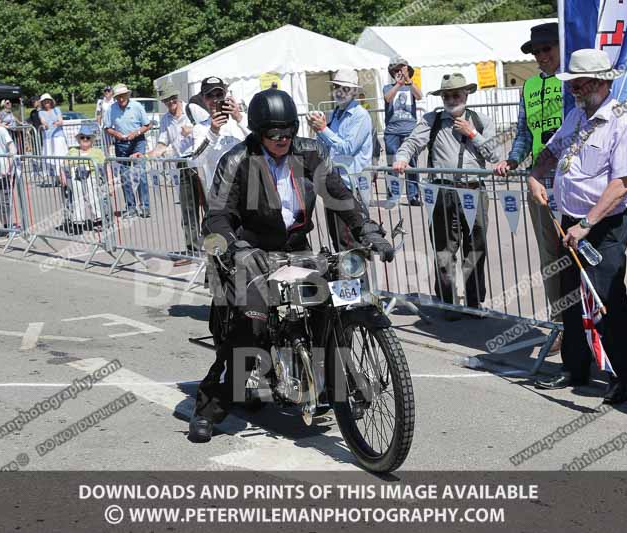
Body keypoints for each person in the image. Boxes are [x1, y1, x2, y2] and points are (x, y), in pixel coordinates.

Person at [189, 88, 394, 442]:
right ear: (257, 131)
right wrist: (237, 249)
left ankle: (333, 383)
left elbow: (341, 197)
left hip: (298, 249)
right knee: (249, 329)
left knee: (333, 303)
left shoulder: (312, 152)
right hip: (251, 251)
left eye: (287, 131)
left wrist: (368, 231)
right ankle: (210, 404)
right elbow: (218, 216)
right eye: (273, 133)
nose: (282, 139)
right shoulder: (237, 160)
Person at [529, 49, 627, 405]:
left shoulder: (622, 121)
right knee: (569, 297)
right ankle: (575, 367)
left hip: (602, 225)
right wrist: (535, 175)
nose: (574, 88)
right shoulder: (576, 116)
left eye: (580, 83)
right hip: (569, 221)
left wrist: (587, 224)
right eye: (573, 82)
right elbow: (550, 152)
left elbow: (622, 183)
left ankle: (621, 376)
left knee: (606, 298)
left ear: (601, 82)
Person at [393, 73, 499, 320]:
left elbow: (495, 155)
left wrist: (472, 133)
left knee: (476, 247)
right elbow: (411, 143)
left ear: (466, 95)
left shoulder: (480, 120)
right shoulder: (432, 120)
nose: (452, 99)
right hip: (440, 190)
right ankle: (448, 302)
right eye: (447, 95)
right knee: (443, 247)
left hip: (473, 189)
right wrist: (401, 157)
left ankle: (474, 302)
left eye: (456, 94)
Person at [495, 22, 565, 351]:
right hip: (539, 180)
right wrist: (512, 160)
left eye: (546, 49)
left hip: (572, 179)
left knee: (580, 255)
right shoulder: (529, 86)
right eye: (536, 51)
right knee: (551, 259)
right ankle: (561, 326)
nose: (540, 56)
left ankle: (594, 329)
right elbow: (523, 132)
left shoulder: (573, 82)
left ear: (561, 47)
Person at [307, 69, 373, 250]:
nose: (339, 91)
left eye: (345, 88)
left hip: (351, 185)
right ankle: (349, 277)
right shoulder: (336, 113)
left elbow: (348, 148)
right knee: (339, 240)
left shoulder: (360, 115)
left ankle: (358, 278)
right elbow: (328, 147)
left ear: (353, 92)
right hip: (335, 184)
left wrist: (323, 130)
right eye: (336, 87)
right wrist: (317, 130)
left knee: (351, 242)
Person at [141, 89, 200, 259]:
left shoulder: (192, 109)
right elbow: (161, 145)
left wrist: (194, 130)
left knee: (213, 207)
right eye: (167, 100)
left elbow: (211, 126)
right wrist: (146, 156)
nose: (170, 102)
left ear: (178, 97)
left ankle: (219, 247)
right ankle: (193, 249)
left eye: (173, 98)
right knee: (188, 209)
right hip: (182, 164)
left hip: (202, 160)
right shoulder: (165, 119)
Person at [189, 76, 249, 195]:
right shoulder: (200, 128)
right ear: (203, 98)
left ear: (225, 95)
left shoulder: (240, 120)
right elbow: (196, 162)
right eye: (209, 95)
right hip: (219, 194)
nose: (215, 99)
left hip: (245, 189)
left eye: (219, 95)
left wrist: (239, 118)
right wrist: (213, 132)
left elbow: (262, 143)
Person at [105, 83, 152, 218]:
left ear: (128, 95)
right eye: (118, 96)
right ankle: (130, 207)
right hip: (121, 143)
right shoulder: (111, 109)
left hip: (138, 142)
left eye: (123, 96)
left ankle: (145, 206)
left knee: (141, 174)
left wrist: (136, 133)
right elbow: (107, 127)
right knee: (125, 177)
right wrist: (116, 134)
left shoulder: (137, 106)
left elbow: (147, 125)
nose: (121, 99)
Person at [384, 56, 422, 205]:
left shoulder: (411, 86)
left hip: (409, 131)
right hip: (392, 132)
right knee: (392, 165)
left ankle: (413, 196)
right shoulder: (388, 87)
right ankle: (393, 195)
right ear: (392, 72)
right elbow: (388, 98)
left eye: (403, 69)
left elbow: (419, 96)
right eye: (397, 70)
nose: (400, 72)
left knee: (411, 164)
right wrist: (398, 84)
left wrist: (409, 81)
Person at [61, 123, 105, 233]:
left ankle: (97, 220)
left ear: (92, 139)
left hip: (92, 176)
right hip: (75, 177)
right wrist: (63, 179)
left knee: (92, 197)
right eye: (82, 137)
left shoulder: (97, 152)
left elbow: (105, 166)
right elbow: (63, 165)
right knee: (77, 198)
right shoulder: (72, 151)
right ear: (79, 139)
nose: (85, 139)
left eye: (88, 137)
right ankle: (78, 222)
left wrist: (109, 182)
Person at [38, 93, 68, 183]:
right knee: (49, 157)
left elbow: (61, 121)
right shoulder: (41, 112)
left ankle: (62, 176)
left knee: (60, 156)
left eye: (48, 101)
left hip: (58, 136)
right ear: (42, 103)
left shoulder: (56, 109)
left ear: (51, 101)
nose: (46, 103)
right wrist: (45, 125)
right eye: (44, 101)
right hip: (48, 137)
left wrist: (57, 123)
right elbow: (43, 122)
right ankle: (55, 176)